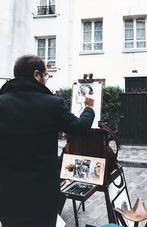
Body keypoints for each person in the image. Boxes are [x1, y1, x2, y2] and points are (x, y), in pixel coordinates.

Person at [0, 55, 95, 227]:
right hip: (41, 194)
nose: (46, 79)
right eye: (46, 75)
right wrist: (89, 109)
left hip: (7, 193)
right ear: (37, 75)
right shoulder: (52, 103)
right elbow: (80, 128)